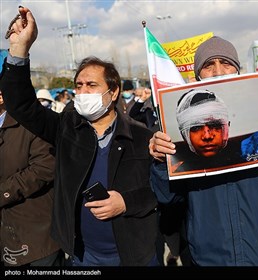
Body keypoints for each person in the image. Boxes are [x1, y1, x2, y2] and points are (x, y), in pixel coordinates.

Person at [0, 7, 158, 266]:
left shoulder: (141, 137)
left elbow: (162, 192)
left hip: (134, 255)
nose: (83, 92)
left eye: (92, 85)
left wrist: (125, 203)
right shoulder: (66, 129)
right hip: (83, 256)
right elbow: (22, 105)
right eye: (79, 85)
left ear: (114, 91)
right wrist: (19, 50)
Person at [149, 36, 258, 266]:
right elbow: (167, 197)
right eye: (208, 65)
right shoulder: (174, 136)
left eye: (226, 63)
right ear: (197, 77)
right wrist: (161, 161)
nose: (218, 71)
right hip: (209, 256)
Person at [0, 90, 63, 267]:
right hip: (6, 238)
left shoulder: (30, 123)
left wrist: (4, 192)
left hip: (35, 236)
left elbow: (44, 168)